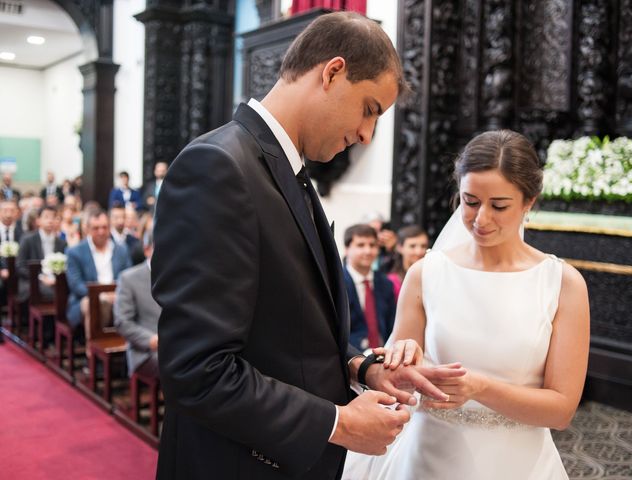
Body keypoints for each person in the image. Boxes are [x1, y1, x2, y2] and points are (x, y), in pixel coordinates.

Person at [152, 11, 464, 480]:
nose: (366, 135)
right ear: (333, 72)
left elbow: (288, 332)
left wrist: (363, 370)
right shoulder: (218, 167)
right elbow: (198, 371)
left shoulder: (284, 169)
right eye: (369, 109)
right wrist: (337, 422)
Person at [343, 130, 590, 480]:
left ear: (529, 202)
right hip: (431, 456)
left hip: (518, 463)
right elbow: (396, 379)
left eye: (499, 206)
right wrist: (403, 358)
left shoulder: (562, 284)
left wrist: (482, 388)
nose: (481, 219)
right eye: (470, 202)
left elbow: (562, 410)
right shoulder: (425, 273)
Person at [65, 210, 131, 335]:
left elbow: (128, 277)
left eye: (104, 227)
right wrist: (101, 295)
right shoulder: (75, 252)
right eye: (96, 228)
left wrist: (118, 293)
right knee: (93, 304)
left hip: (117, 296)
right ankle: (94, 347)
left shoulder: (121, 250)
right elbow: (76, 284)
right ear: (88, 229)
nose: (101, 232)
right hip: (87, 298)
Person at [114, 225, 161, 378]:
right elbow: (123, 322)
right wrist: (151, 339)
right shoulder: (129, 278)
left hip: (177, 345)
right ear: (147, 250)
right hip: (146, 351)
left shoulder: (178, 276)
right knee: (180, 364)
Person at [343, 224, 396, 352]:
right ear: (347, 249)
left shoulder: (386, 284)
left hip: (384, 355)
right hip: (349, 356)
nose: (368, 251)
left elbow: (392, 325)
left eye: (372, 245)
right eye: (361, 245)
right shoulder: (336, 282)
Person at [16, 206, 67, 303]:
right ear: (38, 220)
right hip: (32, 281)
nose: (50, 221)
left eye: (53, 217)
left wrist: (55, 279)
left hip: (55, 281)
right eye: (46, 217)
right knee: (49, 292)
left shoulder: (62, 243)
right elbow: (20, 267)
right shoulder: (27, 240)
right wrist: (41, 278)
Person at [386, 225, 428, 301]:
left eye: (423, 246)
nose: (418, 252)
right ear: (399, 247)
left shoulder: (430, 277)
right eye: (412, 246)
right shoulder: (391, 282)